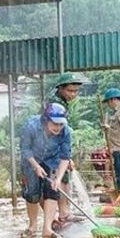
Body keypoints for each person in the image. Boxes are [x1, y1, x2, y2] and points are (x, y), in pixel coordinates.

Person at [20, 103, 73, 238]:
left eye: (61, 124)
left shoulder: (66, 131)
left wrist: (59, 179)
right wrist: (36, 166)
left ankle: (47, 229)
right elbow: (25, 149)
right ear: (46, 120)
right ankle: (32, 226)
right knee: (32, 193)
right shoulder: (31, 126)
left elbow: (65, 157)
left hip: (52, 160)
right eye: (55, 124)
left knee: (52, 191)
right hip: (31, 159)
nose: (58, 127)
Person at [46, 72, 89, 229]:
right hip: (51, 149)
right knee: (60, 178)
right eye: (70, 91)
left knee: (64, 178)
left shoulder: (61, 101)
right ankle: (61, 214)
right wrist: (64, 155)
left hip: (59, 147)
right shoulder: (55, 103)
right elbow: (54, 130)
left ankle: (63, 212)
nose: (73, 94)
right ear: (61, 88)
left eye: (76, 91)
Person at [102, 88, 120, 191]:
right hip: (118, 148)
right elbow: (119, 129)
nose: (108, 105)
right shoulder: (119, 111)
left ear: (113, 100)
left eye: (108, 102)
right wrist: (109, 128)